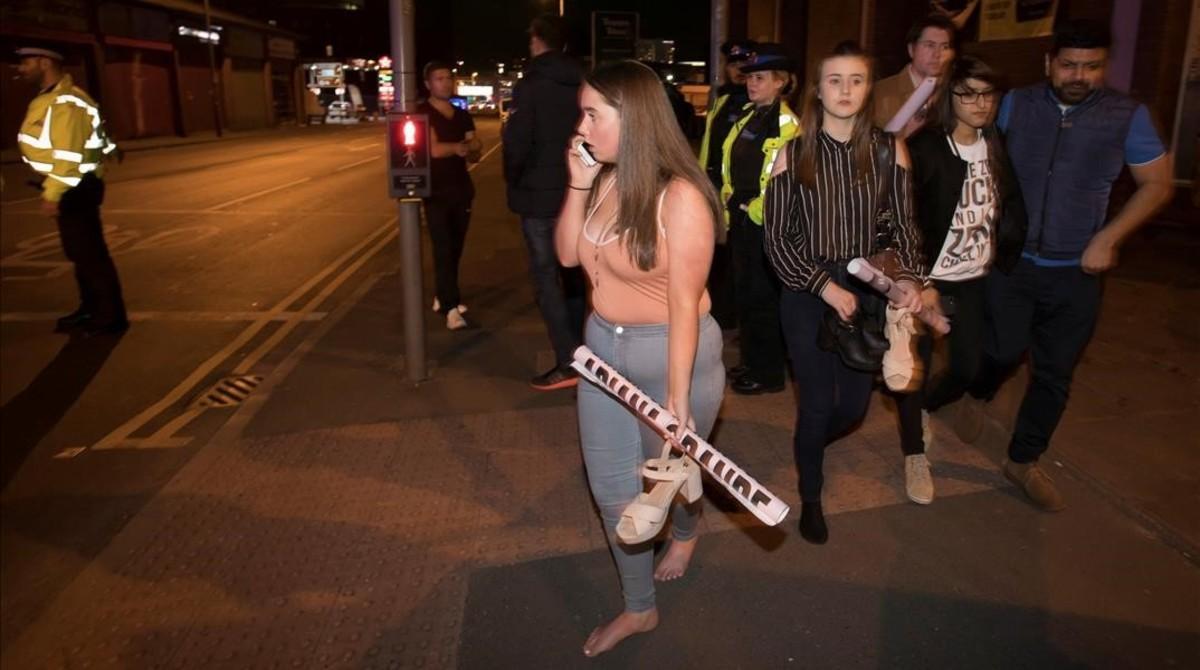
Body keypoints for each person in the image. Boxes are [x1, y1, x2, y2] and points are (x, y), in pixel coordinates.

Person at [962, 19, 1174, 511]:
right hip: (1012, 263)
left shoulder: (1128, 115)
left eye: (1092, 66)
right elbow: (977, 157)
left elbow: (1158, 184)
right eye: (1069, 65)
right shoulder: (1017, 104)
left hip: (1076, 271)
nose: (1080, 75)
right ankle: (978, 392)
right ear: (1049, 64)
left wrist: (1109, 237)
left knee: (1054, 373)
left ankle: (1024, 458)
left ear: (1106, 66)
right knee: (1000, 349)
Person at [555, 60, 725, 657]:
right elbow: (570, 258)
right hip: (602, 351)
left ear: (634, 120)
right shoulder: (602, 178)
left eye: (593, 114)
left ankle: (687, 530)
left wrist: (677, 400)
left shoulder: (681, 198)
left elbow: (683, 305)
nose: (581, 125)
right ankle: (639, 609)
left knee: (665, 480)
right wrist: (577, 182)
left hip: (671, 353)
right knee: (612, 494)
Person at [763, 41, 926, 544]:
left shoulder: (888, 149)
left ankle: (808, 444)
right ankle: (811, 494)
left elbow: (904, 227)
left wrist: (909, 280)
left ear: (869, 88)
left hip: (868, 289)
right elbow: (776, 240)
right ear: (818, 88)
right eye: (835, 79)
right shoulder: (793, 153)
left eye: (856, 79)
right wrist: (824, 286)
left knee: (854, 407)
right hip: (807, 290)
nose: (845, 90)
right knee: (815, 404)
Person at [893, 55, 1028, 505]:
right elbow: (903, 217)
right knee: (914, 371)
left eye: (987, 94)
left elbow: (1007, 202)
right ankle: (914, 454)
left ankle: (926, 410)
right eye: (967, 93)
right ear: (949, 97)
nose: (979, 103)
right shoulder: (927, 147)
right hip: (927, 281)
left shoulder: (995, 144)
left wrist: (1008, 249)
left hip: (972, 279)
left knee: (967, 368)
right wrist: (915, 278)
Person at [15, 47, 127, 337]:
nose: (21, 68)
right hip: (75, 184)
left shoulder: (65, 102)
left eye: (26, 62)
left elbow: (69, 155)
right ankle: (90, 309)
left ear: (44, 62)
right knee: (81, 253)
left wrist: (52, 193)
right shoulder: (57, 97)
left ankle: (108, 319)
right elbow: (95, 137)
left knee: (89, 255)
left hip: (74, 186)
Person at [502, 14, 587, 390]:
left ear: (537, 41)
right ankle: (585, 354)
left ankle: (568, 361)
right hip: (578, 190)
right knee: (576, 274)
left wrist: (515, 180)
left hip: (538, 195)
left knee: (546, 279)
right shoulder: (584, 82)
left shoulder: (531, 85)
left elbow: (516, 144)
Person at [720, 43, 799, 395]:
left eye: (761, 78)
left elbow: (785, 182)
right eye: (750, 77)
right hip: (740, 219)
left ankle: (768, 374)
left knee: (764, 299)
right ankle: (752, 362)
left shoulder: (787, 124)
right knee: (747, 296)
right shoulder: (749, 115)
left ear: (780, 82)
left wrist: (752, 209)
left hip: (765, 224)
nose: (752, 83)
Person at [697, 39, 756, 331]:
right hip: (711, 189)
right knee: (717, 257)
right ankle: (720, 315)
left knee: (737, 261)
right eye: (734, 64)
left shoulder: (755, 103)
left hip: (736, 195)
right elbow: (710, 145)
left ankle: (730, 319)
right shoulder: (722, 99)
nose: (739, 70)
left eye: (745, 64)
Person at [419, 60, 481, 330]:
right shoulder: (422, 114)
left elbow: (474, 145)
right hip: (435, 191)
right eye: (439, 79)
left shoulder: (462, 113)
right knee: (442, 247)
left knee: (455, 248)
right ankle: (451, 308)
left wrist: (474, 146)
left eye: (448, 78)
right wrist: (460, 146)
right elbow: (432, 149)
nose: (445, 82)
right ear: (428, 84)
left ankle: (442, 295)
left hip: (462, 189)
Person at [873, 14, 956, 139]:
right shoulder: (880, 92)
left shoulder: (954, 92)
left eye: (945, 47)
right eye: (930, 45)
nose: (937, 54)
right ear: (911, 49)